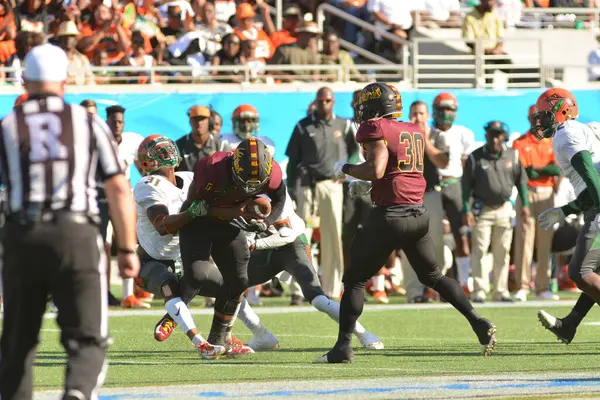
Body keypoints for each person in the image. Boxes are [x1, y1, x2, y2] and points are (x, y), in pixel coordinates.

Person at [313, 83, 496, 364]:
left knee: (355, 280)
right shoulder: (413, 129)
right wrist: (369, 186)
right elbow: (397, 170)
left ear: (375, 107)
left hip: (390, 216)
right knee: (433, 276)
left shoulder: (375, 128)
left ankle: (342, 347)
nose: (361, 112)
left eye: (364, 106)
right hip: (418, 213)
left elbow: (377, 168)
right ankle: (477, 321)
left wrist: (347, 170)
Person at [0, 43, 139, 399]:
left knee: (17, 342)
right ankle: (76, 393)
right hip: (76, 234)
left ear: (25, 81)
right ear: (64, 80)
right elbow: (120, 189)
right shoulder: (86, 122)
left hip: (22, 235)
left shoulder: (8, 124)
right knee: (89, 337)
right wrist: (126, 248)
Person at [154, 189, 384, 352]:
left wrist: (254, 244)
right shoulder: (239, 192)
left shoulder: (278, 197)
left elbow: (286, 234)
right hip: (263, 251)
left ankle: (363, 334)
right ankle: (262, 335)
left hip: (290, 247)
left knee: (318, 299)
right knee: (233, 288)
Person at [134, 134, 262, 357]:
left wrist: (245, 219)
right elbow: (163, 226)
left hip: (183, 258)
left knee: (232, 288)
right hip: (152, 261)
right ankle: (201, 343)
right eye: (159, 153)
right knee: (169, 284)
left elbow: (218, 209)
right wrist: (191, 213)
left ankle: (228, 338)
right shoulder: (148, 185)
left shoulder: (191, 178)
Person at [180, 138, 286, 354]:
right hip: (199, 220)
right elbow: (195, 207)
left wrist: (265, 222)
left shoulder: (273, 173)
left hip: (229, 223)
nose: (250, 187)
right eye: (246, 180)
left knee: (239, 281)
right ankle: (170, 294)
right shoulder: (211, 168)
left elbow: (279, 199)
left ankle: (218, 339)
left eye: (258, 183)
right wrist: (237, 213)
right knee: (197, 274)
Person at [534, 90, 600, 344]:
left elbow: (589, 175)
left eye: (544, 115)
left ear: (560, 110)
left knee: (581, 272)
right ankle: (569, 325)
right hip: (593, 202)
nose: (540, 122)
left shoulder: (565, 133)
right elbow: (590, 184)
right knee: (593, 270)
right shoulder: (584, 129)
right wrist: (565, 210)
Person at [286, 87, 358, 301]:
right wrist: (291, 189)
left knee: (332, 235)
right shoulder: (302, 126)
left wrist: (347, 169)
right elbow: (292, 160)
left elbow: (354, 150)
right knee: (301, 236)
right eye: (320, 100)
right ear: (315, 102)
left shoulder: (344, 125)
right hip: (306, 185)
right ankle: (298, 290)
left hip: (332, 185)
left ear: (333, 102)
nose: (324, 104)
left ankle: (332, 288)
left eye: (327, 100)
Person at [462, 121, 530, 302]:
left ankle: (500, 291)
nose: (494, 138)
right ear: (486, 135)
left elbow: (521, 181)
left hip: (504, 207)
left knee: (503, 251)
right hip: (482, 209)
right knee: (480, 250)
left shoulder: (513, 155)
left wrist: (525, 205)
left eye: (498, 134)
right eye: (491, 134)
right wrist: (467, 209)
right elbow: (466, 186)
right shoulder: (476, 157)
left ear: (504, 136)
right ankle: (479, 291)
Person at [512, 105, 562, 302]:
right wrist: (543, 170)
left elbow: (556, 169)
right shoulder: (519, 142)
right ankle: (522, 286)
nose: (537, 121)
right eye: (534, 117)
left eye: (540, 117)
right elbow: (523, 173)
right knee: (524, 240)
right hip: (527, 193)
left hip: (546, 193)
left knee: (545, 242)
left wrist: (538, 169)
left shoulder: (551, 141)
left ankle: (542, 287)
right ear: (529, 118)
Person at [102, 105, 148, 308]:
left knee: (129, 244)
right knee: (104, 247)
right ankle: (103, 293)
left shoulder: (131, 141)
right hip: (102, 199)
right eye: (113, 121)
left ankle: (129, 295)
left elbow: (142, 166)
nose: (117, 125)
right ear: (107, 122)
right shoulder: (100, 140)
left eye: (120, 121)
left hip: (124, 200)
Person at [430, 92, 475, 294]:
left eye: (450, 109)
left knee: (461, 235)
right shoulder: (427, 133)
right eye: (442, 109)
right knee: (431, 238)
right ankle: (431, 283)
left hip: (455, 183)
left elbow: (466, 168)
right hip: (432, 186)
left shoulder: (463, 133)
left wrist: (467, 198)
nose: (446, 113)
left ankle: (464, 281)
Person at [175, 105, 228, 172]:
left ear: (209, 121)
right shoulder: (179, 146)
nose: (199, 123)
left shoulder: (221, 146)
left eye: (202, 118)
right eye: (195, 119)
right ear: (190, 121)